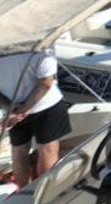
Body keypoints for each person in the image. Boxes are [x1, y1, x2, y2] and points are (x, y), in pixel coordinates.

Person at [1, 47, 68, 187]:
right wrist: (22, 112)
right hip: (47, 105)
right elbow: (46, 84)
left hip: (14, 107)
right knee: (47, 150)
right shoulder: (43, 48)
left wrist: (13, 111)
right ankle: (42, 193)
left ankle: (22, 191)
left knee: (19, 151)